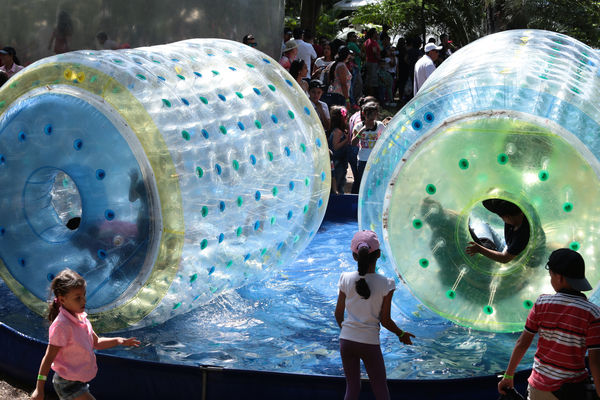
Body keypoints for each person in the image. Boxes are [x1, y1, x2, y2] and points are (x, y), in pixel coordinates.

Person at [498, 248, 600, 400]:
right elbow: (596, 363)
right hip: (570, 391)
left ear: (559, 278)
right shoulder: (592, 313)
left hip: (536, 388)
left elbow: (522, 343)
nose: (551, 280)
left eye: (551, 275)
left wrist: (508, 375)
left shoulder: (541, 303)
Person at [30, 269, 140, 400]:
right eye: (78, 298)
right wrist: (39, 388)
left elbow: (96, 343)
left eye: (84, 295)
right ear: (62, 300)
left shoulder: (81, 318)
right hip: (67, 383)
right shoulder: (62, 326)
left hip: (77, 379)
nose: (83, 301)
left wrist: (118, 341)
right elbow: (48, 358)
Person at [335, 230, 415, 400]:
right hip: (369, 343)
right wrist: (401, 334)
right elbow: (385, 320)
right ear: (378, 255)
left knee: (352, 388)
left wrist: (347, 330)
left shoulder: (345, 278)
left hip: (346, 341)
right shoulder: (386, 284)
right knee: (380, 389)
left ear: (354, 256)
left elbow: (338, 313)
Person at [466, 199, 530, 263]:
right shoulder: (516, 212)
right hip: (506, 245)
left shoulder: (521, 236)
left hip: (510, 256)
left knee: (480, 231)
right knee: (482, 224)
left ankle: (488, 247)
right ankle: (488, 245)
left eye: (501, 217)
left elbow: (505, 258)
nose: (502, 219)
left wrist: (479, 249)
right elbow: (490, 204)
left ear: (507, 217)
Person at [351, 102, 384, 193]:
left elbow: (386, 139)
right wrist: (362, 131)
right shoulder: (359, 126)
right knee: (363, 183)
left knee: (376, 183)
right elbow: (353, 143)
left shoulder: (380, 125)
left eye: (374, 113)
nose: (372, 116)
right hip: (363, 159)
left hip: (376, 159)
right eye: (369, 113)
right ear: (364, 114)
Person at [328, 106, 350, 194]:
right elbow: (335, 146)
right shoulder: (338, 132)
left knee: (341, 181)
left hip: (340, 160)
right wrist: (346, 140)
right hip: (337, 161)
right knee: (338, 183)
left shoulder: (338, 130)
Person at [364, 28, 381, 97]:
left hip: (368, 61)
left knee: (369, 80)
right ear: (373, 34)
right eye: (376, 33)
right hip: (373, 63)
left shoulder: (367, 41)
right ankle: (371, 97)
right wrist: (380, 59)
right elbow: (375, 53)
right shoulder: (372, 42)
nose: (377, 34)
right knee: (372, 81)